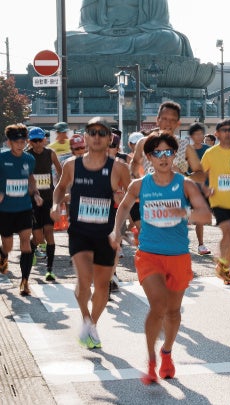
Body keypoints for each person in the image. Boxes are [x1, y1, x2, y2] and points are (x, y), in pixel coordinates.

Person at [110, 132, 210, 384]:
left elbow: (205, 215)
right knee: (158, 305)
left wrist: (184, 211)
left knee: (173, 312)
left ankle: (166, 352)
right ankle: (151, 359)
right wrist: (115, 230)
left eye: (168, 152)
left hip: (178, 256)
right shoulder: (140, 185)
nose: (164, 158)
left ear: (174, 155)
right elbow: (123, 206)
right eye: (158, 153)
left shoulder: (185, 184)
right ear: (149, 158)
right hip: (149, 254)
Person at [51, 117, 130, 348]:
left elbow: (131, 196)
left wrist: (122, 203)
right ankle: (86, 318)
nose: (96, 136)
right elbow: (60, 188)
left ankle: (92, 324)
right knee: (84, 280)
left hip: (106, 234)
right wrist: (55, 205)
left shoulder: (119, 168)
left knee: (103, 286)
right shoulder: (72, 165)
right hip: (80, 232)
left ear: (109, 139)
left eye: (101, 133)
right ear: (85, 137)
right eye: (92, 132)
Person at [201, 119, 230, 285]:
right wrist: (206, 190)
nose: (228, 133)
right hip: (218, 201)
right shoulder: (210, 153)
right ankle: (222, 261)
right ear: (217, 134)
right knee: (227, 232)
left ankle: (225, 267)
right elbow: (201, 175)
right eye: (225, 131)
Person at [0, 124, 44, 295]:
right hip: (5, 210)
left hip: (24, 208)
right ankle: (3, 255)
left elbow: (30, 178)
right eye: (16, 141)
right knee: (9, 246)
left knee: (26, 244)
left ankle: (25, 281)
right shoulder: (2, 158)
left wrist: (36, 194)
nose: (20, 144)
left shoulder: (29, 159)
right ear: (9, 142)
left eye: (22, 141)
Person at [26, 126, 62, 282]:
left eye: (40, 140)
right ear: (30, 141)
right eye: (34, 141)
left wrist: (60, 187)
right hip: (32, 200)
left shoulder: (50, 153)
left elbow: (61, 171)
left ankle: (50, 270)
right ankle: (32, 247)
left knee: (49, 233)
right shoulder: (27, 156)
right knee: (39, 237)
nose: (38, 143)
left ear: (44, 140)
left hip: (48, 199)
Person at [187, 123, 211, 256]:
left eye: (201, 133)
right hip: (188, 188)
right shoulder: (186, 150)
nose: (199, 136)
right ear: (191, 136)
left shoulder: (208, 150)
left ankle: (201, 245)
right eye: (196, 134)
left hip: (204, 188)